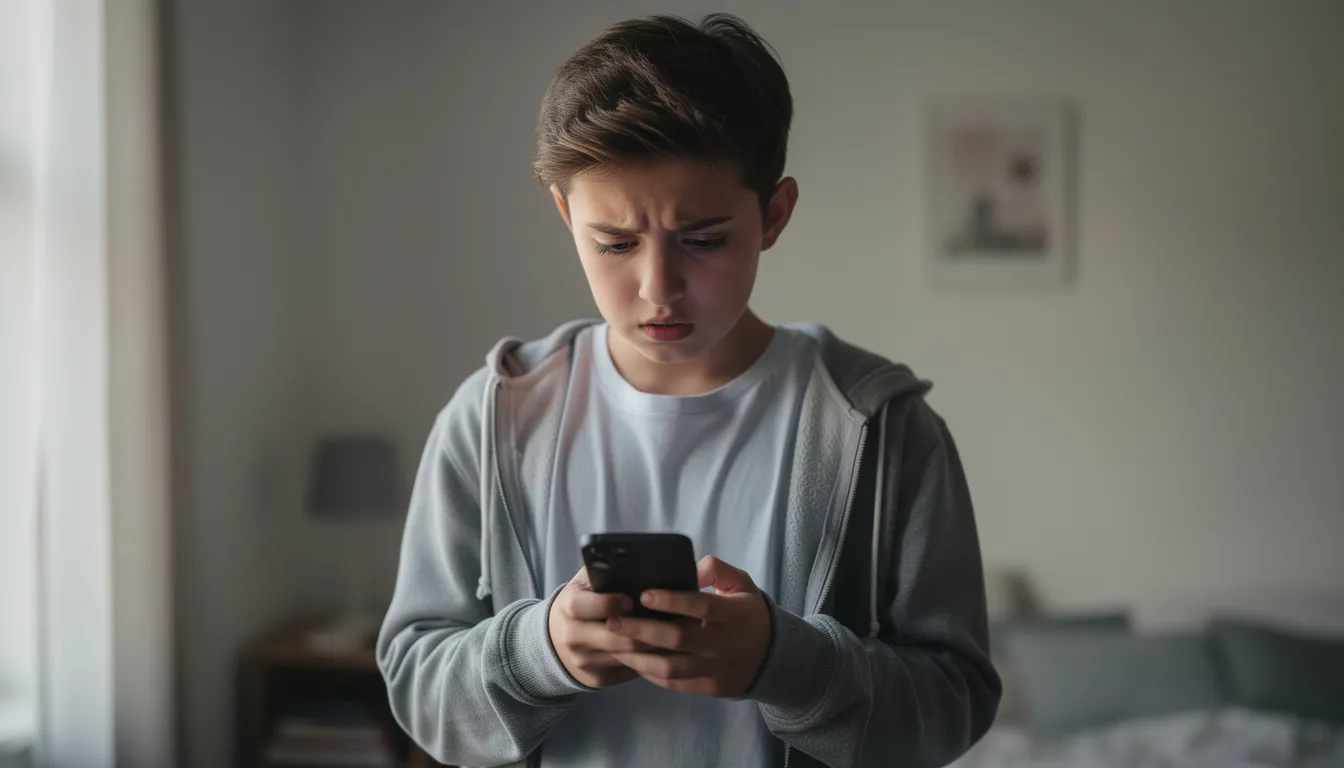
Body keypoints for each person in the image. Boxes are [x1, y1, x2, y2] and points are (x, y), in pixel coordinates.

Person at [377, 12, 1000, 768]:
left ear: (774, 215)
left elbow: (954, 704)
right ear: (566, 214)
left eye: (703, 240)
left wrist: (786, 662)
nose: (657, 289)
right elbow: (416, 689)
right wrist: (541, 652)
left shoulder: (886, 429)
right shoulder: (490, 419)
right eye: (614, 244)